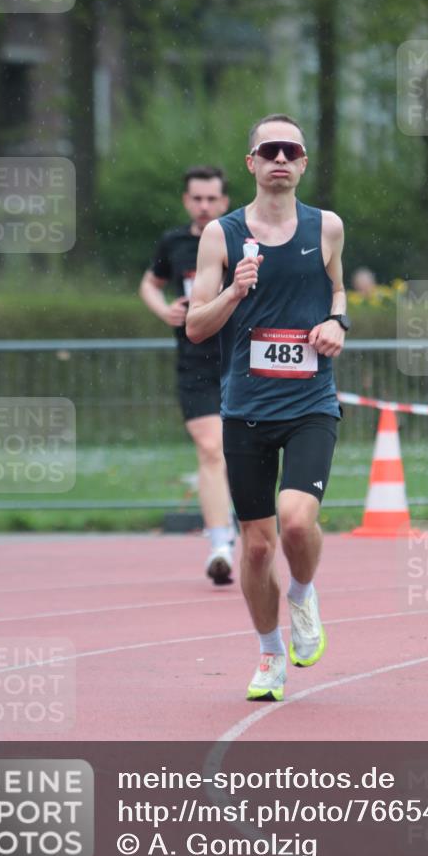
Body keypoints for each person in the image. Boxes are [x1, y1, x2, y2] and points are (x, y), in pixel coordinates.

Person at [186, 115, 349, 700]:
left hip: (310, 401)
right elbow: (197, 327)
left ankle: (302, 594)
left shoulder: (326, 227)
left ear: (303, 163)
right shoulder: (221, 237)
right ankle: (269, 653)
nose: (280, 158)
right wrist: (235, 289)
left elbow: (336, 289)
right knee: (256, 545)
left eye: (292, 149)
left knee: (298, 520)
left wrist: (337, 321)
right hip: (246, 407)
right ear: (251, 163)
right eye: (268, 150)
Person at [139, 166, 236, 585]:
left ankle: (251, 531)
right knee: (210, 449)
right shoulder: (174, 243)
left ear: (225, 202)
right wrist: (165, 310)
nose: (204, 206)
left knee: (242, 453)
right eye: (196, 198)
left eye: (212, 199)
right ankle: (220, 544)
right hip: (195, 361)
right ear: (186, 201)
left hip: (240, 358)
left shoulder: (241, 237)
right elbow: (149, 283)